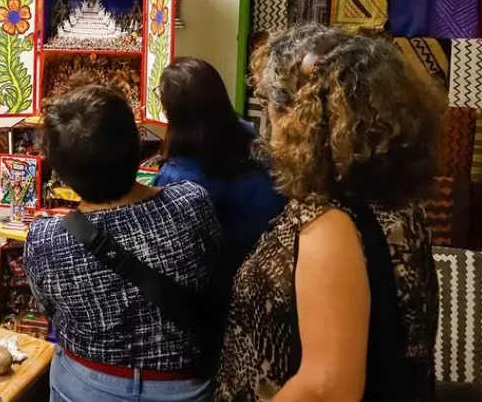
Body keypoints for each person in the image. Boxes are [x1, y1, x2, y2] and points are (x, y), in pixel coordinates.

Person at [216, 25, 443, 402]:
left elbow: (328, 388)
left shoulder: (330, 226)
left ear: (298, 117)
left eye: (269, 104)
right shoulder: (394, 201)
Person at [23, 85, 224, 402]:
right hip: (182, 384)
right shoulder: (191, 203)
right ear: (137, 145)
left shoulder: (45, 239)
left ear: (60, 172)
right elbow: (214, 277)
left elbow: (50, 311)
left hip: (86, 383)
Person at [155, 57, 285, 271]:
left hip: (226, 282)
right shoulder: (247, 132)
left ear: (172, 111)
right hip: (270, 264)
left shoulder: (176, 176)